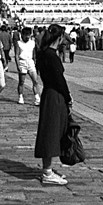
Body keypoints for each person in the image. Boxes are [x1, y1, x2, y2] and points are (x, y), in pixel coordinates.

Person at [34, 24, 73, 185]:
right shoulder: (51, 55)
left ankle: (48, 168)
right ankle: (47, 171)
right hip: (55, 95)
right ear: (59, 38)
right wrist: (68, 97)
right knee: (51, 131)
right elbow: (59, 80)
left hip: (48, 93)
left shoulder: (43, 53)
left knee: (51, 129)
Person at [15, 27, 41, 105]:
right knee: (21, 82)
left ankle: (37, 98)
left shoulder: (32, 42)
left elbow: (34, 54)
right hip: (22, 62)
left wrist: (35, 62)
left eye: (28, 35)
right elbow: (16, 54)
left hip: (30, 62)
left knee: (35, 81)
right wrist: (18, 65)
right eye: (25, 35)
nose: (27, 37)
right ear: (22, 35)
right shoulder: (19, 43)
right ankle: (20, 96)